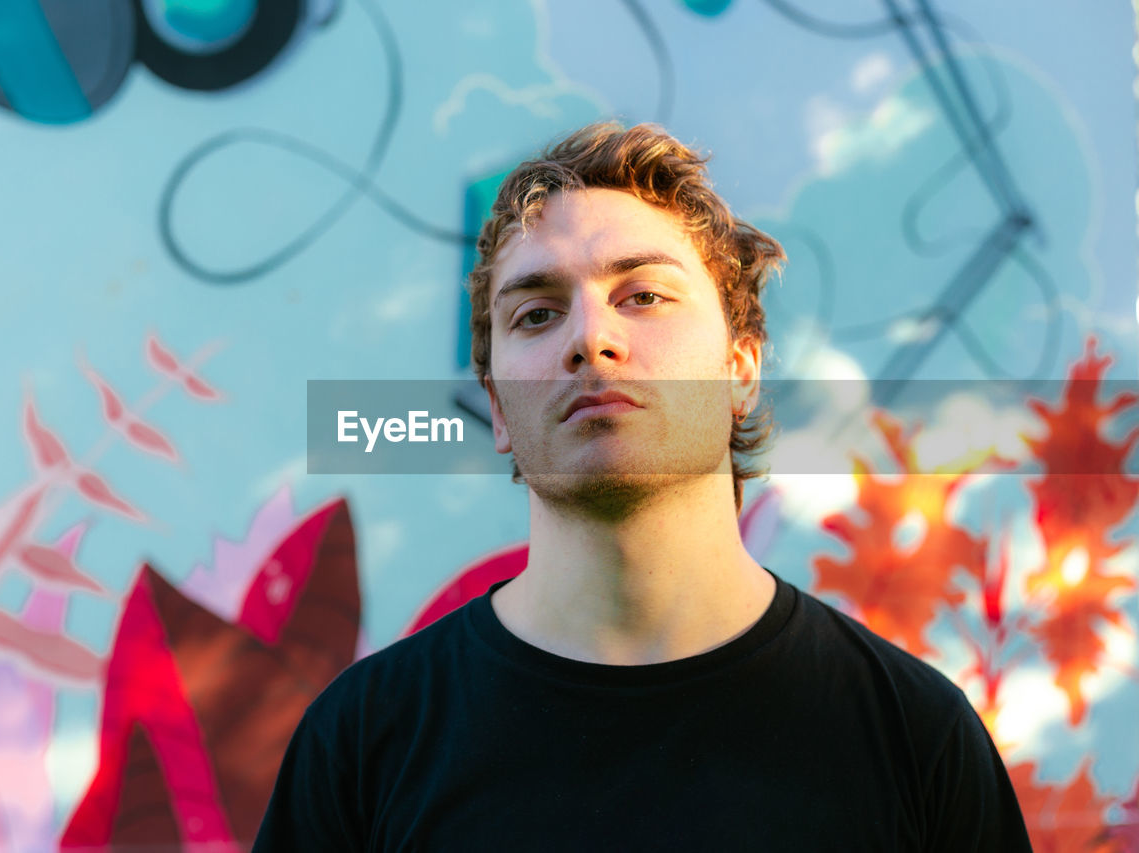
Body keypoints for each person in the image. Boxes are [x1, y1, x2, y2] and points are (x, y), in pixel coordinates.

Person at [253, 122, 1032, 851]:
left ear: (741, 368)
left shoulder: (913, 734)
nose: (591, 338)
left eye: (644, 296)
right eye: (536, 313)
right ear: (496, 406)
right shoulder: (361, 745)